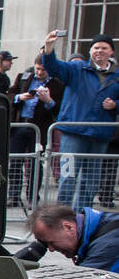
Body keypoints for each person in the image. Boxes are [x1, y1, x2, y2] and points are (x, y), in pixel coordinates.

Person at [41, 31, 119, 209]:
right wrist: (49, 48)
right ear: (90, 51)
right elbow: (53, 67)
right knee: (68, 176)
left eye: (104, 48)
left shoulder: (117, 77)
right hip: (73, 132)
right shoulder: (76, 69)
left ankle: (82, 215)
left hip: (100, 135)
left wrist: (115, 105)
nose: (99, 51)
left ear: (111, 52)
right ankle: (63, 214)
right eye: (96, 48)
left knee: (91, 180)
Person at [8, 55, 63, 206]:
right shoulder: (24, 77)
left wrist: (48, 101)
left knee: (35, 164)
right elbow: (9, 95)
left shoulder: (57, 84)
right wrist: (20, 97)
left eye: (43, 70)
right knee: (15, 162)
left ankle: (32, 197)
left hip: (39, 129)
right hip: (20, 126)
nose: (39, 72)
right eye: (37, 69)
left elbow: (59, 109)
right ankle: (13, 195)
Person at [25, 203, 119, 272]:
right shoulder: (100, 226)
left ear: (68, 227)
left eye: (51, 242)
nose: (51, 249)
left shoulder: (107, 245)